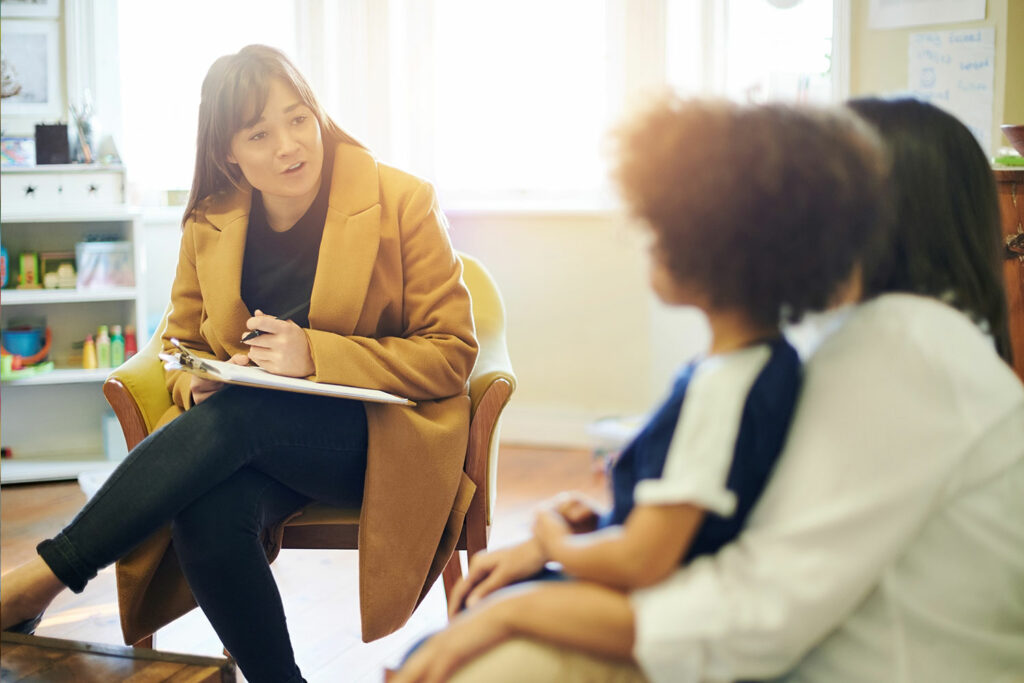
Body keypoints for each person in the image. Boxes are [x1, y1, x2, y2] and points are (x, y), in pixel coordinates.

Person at [0, 45, 478, 683]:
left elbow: (452, 354)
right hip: (261, 443)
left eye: (299, 118)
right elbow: (175, 344)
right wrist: (192, 379)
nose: (290, 145)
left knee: (247, 411)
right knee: (206, 514)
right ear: (229, 152)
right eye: (260, 132)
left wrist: (317, 355)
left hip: (378, 440)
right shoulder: (210, 220)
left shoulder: (402, 200)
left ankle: (44, 577)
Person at [392, 98, 897, 683]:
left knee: (444, 643)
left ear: (706, 244)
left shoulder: (724, 390)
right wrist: (599, 522)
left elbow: (645, 559)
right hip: (644, 585)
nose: (647, 240)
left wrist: (553, 539)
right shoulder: (762, 364)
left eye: (658, 226)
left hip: (642, 604)